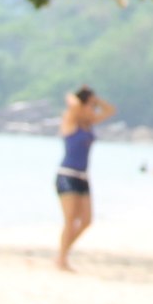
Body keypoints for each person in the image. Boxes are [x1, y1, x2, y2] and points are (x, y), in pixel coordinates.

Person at [55, 85, 116, 272]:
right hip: (67, 174)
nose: (93, 109)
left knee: (86, 220)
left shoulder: (89, 124)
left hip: (83, 177)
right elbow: (72, 102)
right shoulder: (70, 120)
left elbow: (111, 110)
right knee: (71, 220)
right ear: (82, 105)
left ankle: (62, 254)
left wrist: (95, 101)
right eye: (90, 105)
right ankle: (62, 259)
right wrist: (80, 99)